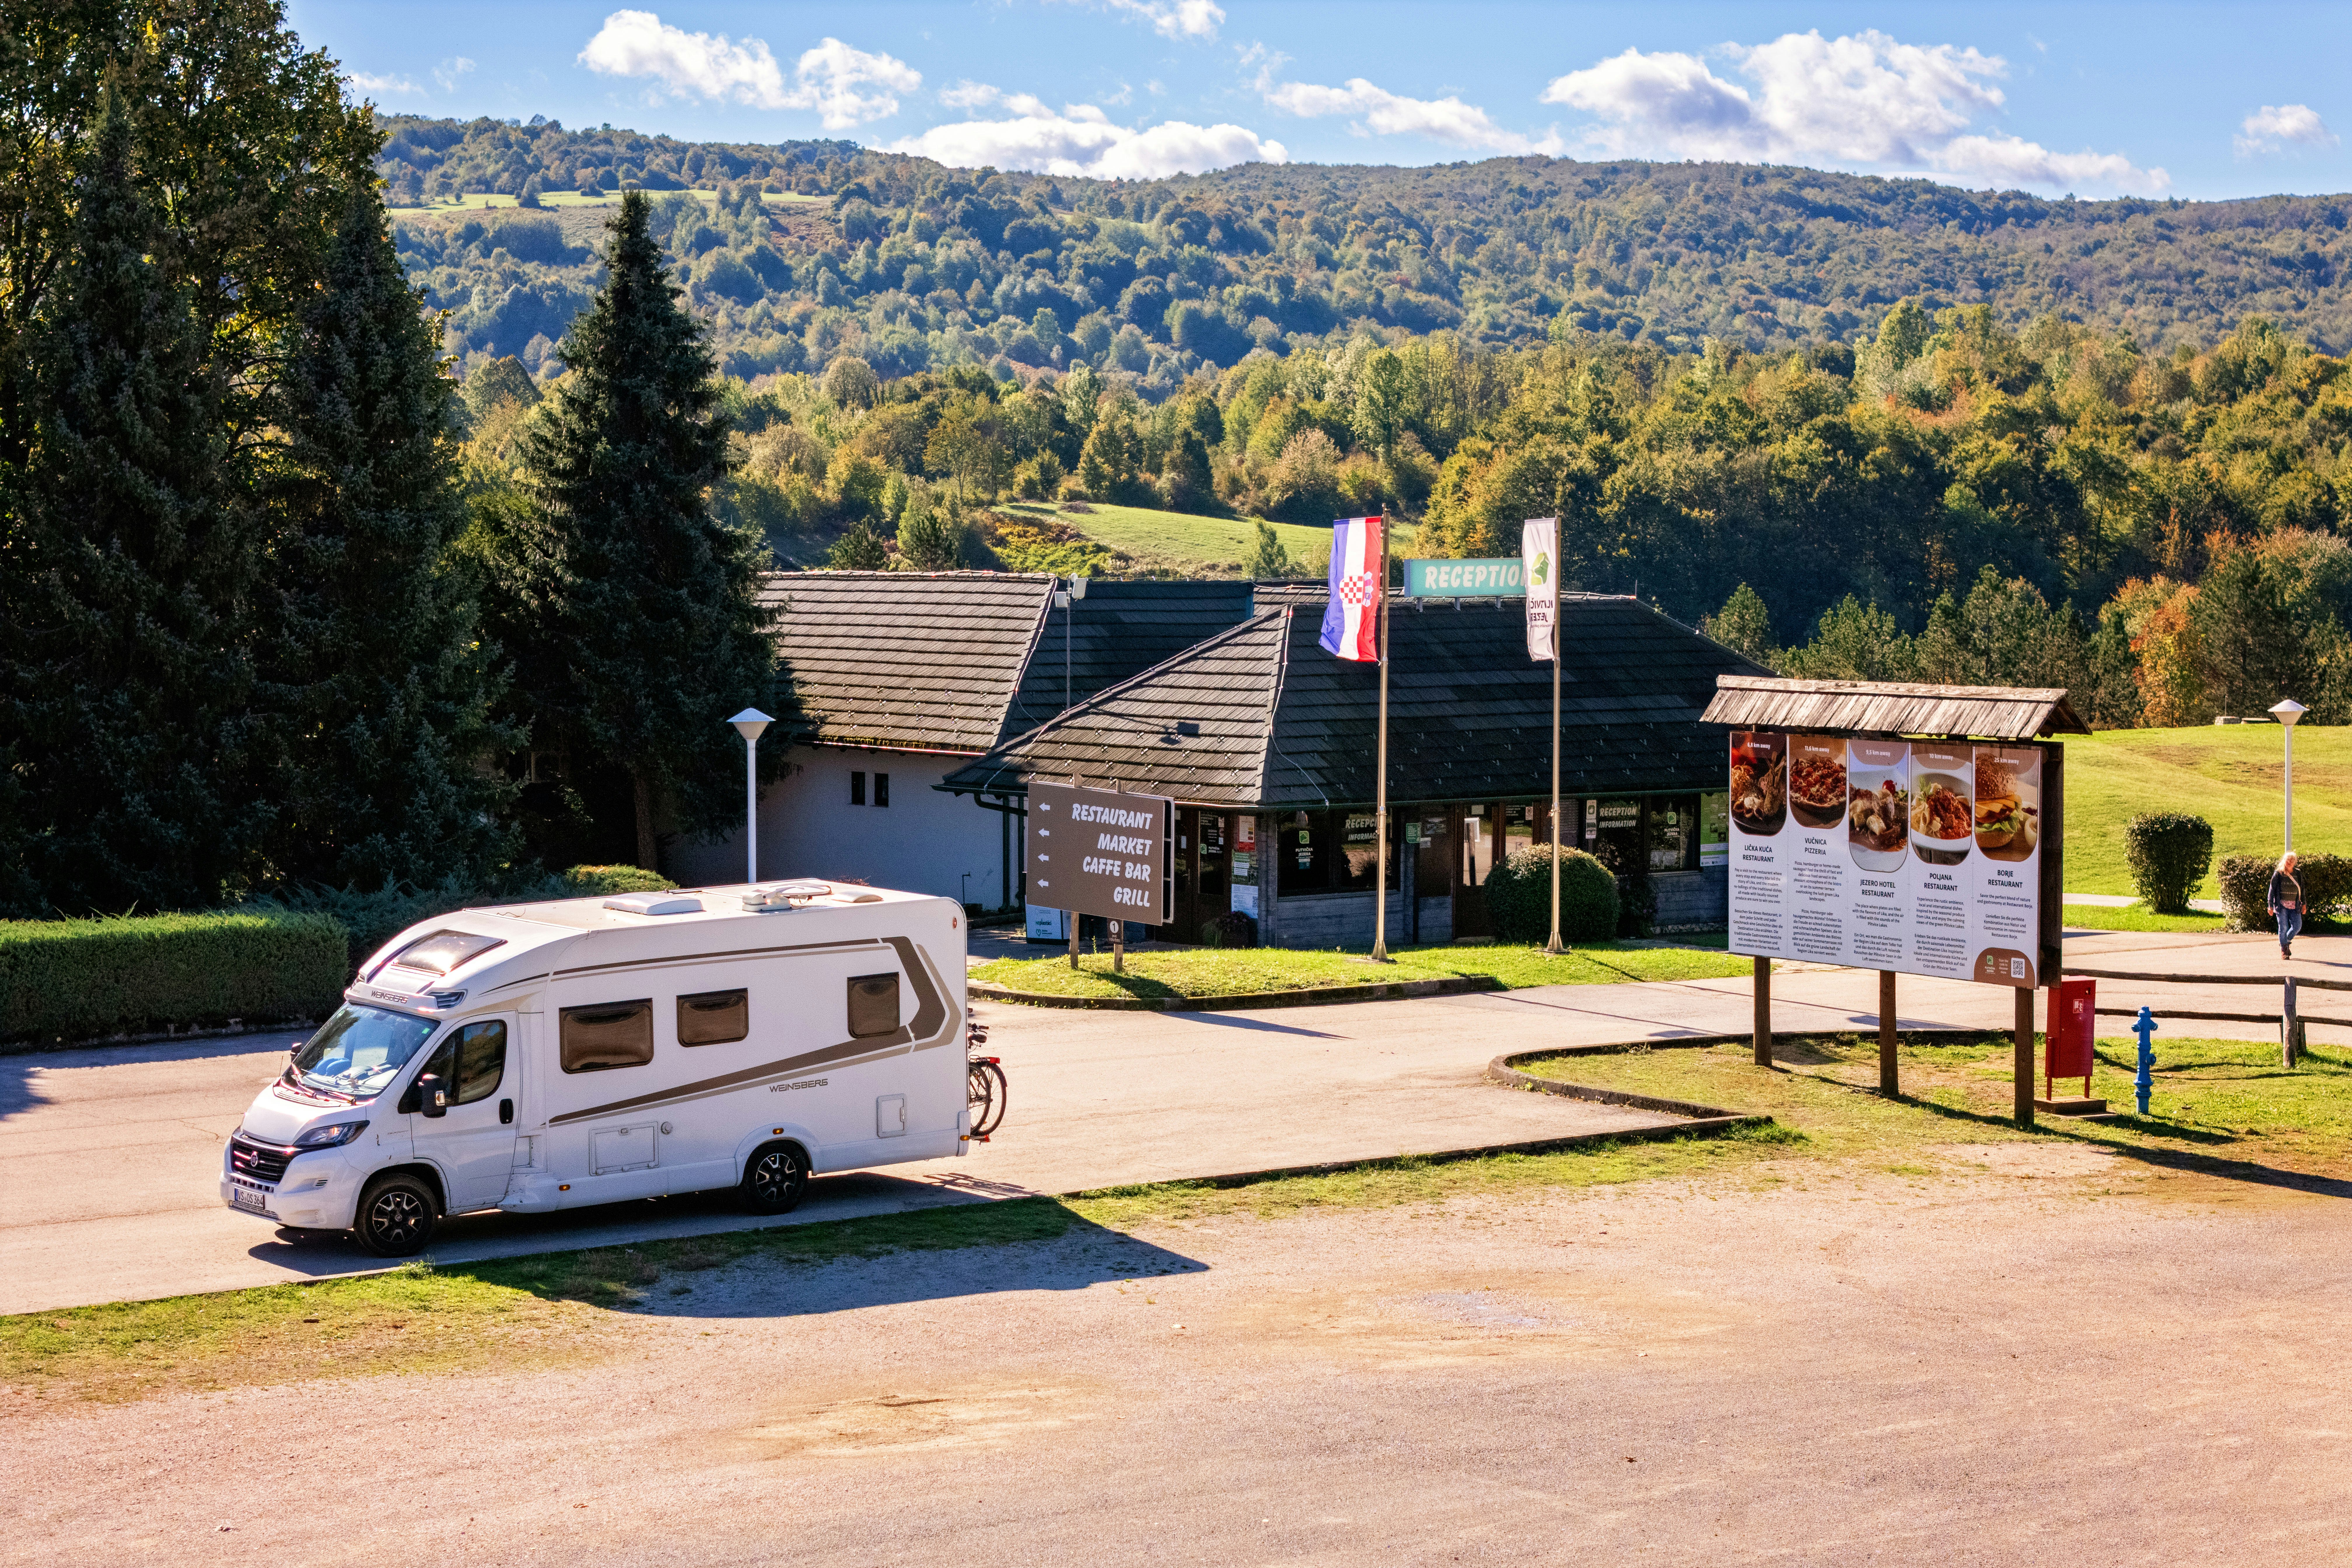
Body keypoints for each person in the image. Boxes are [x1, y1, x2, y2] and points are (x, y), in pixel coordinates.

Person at [2268, 852, 2303, 960]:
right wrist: (2270, 906)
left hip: (2295, 905)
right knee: (2283, 927)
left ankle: (2285, 942)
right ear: (2284, 860)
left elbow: (2302, 890)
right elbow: (2272, 890)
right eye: (2288, 860)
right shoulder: (2278, 874)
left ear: (2295, 862)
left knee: (2297, 926)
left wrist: (2304, 904)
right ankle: (2284, 949)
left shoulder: (2298, 874)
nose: (2290, 862)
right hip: (2281, 905)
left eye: (2292, 861)